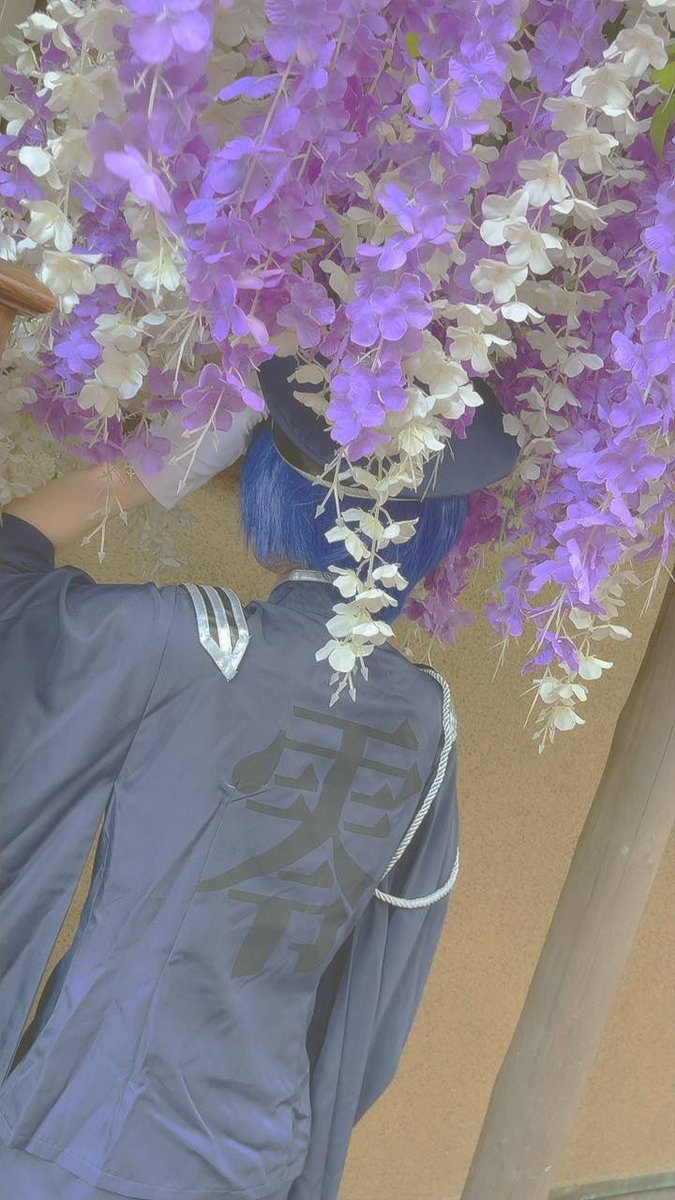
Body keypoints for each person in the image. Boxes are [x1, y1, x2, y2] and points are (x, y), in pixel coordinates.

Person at [0, 355, 518, 1200]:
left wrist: (148, 469)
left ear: (272, 485)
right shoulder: (430, 717)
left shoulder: (190, 644)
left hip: (84, 1136)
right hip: (261, 1151)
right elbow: (382, 992)